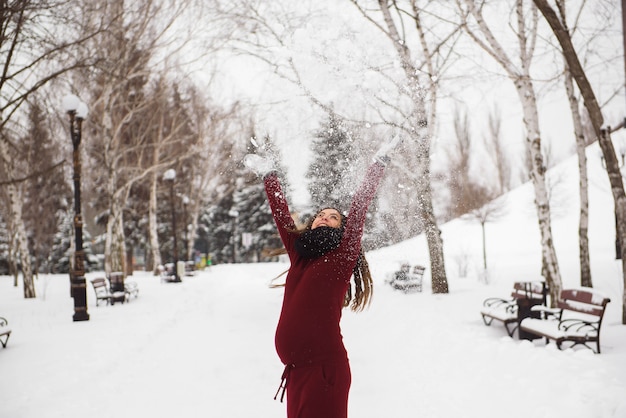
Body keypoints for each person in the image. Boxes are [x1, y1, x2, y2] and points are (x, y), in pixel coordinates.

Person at [243, 135, 399, 418]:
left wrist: (379, 163)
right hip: (297, 373)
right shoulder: (299, 254)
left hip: (325, 371)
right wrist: (269, 174)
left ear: (342, 229)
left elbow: (360, 206)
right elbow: (282, 217)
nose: (324, 217)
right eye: (320, 215)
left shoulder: (342, 256)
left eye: (333, 216)